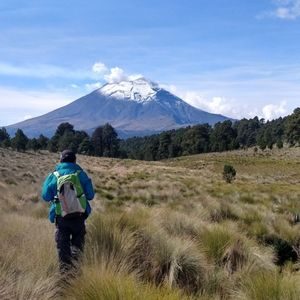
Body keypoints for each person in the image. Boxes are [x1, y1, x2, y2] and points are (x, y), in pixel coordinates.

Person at [42, 149, 95, 273]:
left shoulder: (54, 175)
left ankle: (65, 275)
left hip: (61, 217)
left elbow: (45, 196)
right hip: (79, 215)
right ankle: (76, 273)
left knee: (63, 248)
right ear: (74, 160)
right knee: (78, 246)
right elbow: (90, 195)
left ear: (60, 160)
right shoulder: (81, 174)